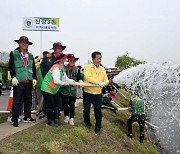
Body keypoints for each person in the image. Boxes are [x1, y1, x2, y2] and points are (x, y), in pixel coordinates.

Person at [41, 52, 77, 127]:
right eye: (65, 59)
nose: (66, 60)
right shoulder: (56, 67)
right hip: (47, 89)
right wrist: (64, 83)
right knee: (50, 105)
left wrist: (71, 81)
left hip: (53, 90)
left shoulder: (62, 68)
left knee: (56, 104)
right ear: (61, 60)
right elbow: (56, 80)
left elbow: (65, 78)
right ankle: (50, 121)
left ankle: (56, 119)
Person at [9, 36, 37, 127]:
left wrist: (34, 78)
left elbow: (33, 68)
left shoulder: (31, 55)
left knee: (28, 100)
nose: (25, 45)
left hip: (28, 80)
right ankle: (15, 119)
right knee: (17, 101)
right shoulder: (14, 53)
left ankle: (27, 117)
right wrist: (13, 77)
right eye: (23, 43)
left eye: (26, 43)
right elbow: (11, 66)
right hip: (19, 80)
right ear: (19, 44)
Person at [83, 51, 109, 133]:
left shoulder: (102, 69)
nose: (99, 60)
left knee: (98, 111)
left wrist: (105, 83)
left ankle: (98, 127)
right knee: (86, 110)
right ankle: (87, 124)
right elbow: (88, 78)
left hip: (98, 94)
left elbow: (106, 79)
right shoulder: (87, 68)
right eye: (98, 58)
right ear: (93, 59)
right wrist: (98, 82)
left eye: (100, 58)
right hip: (88, 93)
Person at [40, 42, 66, 119]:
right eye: (58, 48)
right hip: (49, 83)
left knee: (56, 101)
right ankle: (49, 117)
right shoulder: (47, 56)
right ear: (54, 49)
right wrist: (47, 79)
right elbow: (43, 68)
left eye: (60, 49)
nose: (59, 50)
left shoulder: (61, 60)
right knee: (49, 102)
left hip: (57, 84)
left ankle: (55, 116)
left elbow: (63, 74)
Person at [60, 54, 83, 125]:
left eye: (73, 60)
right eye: (70, 60)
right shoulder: (63, 68)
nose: (72, 62)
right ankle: (66, 116)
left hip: (73, 90)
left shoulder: (77, 69)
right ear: (68, 60)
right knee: (65, 104)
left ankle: (72, 118)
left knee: (72, 104)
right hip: (64, 89)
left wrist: (80, 81)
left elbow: (79, 78)